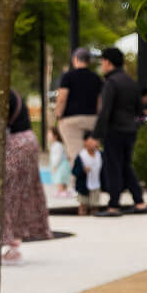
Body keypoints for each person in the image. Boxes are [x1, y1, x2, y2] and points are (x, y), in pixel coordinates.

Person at [0, 81, 51, 264]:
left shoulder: (1, 95)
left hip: (17, 146)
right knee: (21, 194)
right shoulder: (11, 93)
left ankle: (12, 245)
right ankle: (13, 243)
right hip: (28, 143)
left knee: (9, 195)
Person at [92, 47, 146, 215]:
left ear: (108, 62)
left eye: (102, 62)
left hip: (114, 130)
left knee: (113, 167)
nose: (101, 65)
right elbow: (140, 112)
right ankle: (139, 202)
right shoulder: (131, 82)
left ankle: (114, 205)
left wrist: (96, 136)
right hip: (130, 131)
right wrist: (135, 125)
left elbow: (105, 111)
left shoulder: (111, 82)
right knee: (125, 166)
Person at [54, 47, 105, 208]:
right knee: (93, 156)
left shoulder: (68, 76)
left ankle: (82, 197)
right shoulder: (96, 78)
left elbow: (62, 98)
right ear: (89, 61)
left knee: (77, 158)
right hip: (92, 120)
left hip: (71, 121)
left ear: (75, 59)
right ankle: (93, 193)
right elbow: (99, 102)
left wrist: (58, 115)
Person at [71, 131, 103, 210]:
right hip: (83, 186)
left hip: (96, 185)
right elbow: (74, 171)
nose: (95, 143)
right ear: (85, 142)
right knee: (83, 205)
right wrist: (83, 170)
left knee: (95, 205)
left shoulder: (100, 155)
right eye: (92, 140)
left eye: (96, 140)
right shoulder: (81, 156)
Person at [46, 125, 74, 199]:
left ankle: (63, 191)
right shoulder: (55, 145)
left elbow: (58, 156)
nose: (48, 136)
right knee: (60, 178)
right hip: (60, 165)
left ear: (55, 136)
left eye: (49, 134)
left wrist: (55, 165)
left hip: (61, 165)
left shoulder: (57, 145)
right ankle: (62, 190)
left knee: (60, 179)